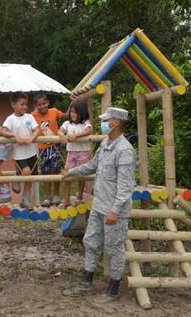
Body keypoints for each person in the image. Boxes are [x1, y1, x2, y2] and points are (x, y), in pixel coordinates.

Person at [61, 107, 136, 301]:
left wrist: (115, 210)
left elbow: (125, 186)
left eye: (106, 120)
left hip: (113, 209)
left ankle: (113, 289)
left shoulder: (125, 150)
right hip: (99, 204)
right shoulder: (105, 144)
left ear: (116, 122)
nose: (102, 123)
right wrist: (72, 171)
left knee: (114, 247)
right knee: (91, 242)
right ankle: (86, 282)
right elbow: (92, 165)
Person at [0, 91, 41, 208]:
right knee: (26, 172)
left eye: (26, 104)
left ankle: (25, 199)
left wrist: (31, 138)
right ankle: (17, 177)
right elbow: (3, 131)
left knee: (31, 176)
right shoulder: (10, 119)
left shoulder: (30, 116)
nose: (25, 107)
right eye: (21, 104)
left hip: (32, 152)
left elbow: (37, 129)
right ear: (13, 105)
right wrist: (15, 136)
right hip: (19, 154)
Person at [31, 94, 65, 206]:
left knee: (55, 169)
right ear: (35, 106)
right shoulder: (32, 115)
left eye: (44, 104)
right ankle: (47, 197)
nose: (42, 106)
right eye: (39, 105)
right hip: (42, 148)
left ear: (48, 103)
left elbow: (66, 116)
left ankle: (56, 195)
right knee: (45, 171)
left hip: (55, 146)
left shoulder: (54, 111)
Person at [58, 100, 92, 208]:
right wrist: (62, 136)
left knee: (81, 174)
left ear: (81, 113)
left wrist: (76, 135)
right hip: (71, 153)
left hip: (83, 152)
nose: (72, 114)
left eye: (75, 112)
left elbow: (87, 131)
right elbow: (59, 131)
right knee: (67, 174)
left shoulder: (85, 122)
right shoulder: (67, 123)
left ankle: (80, 196)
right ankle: (66, 200)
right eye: (71, 111)